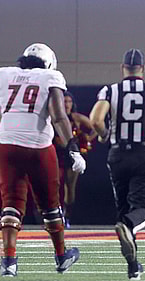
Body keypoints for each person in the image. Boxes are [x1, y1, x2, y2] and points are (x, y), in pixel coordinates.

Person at [0, 43, 86, 276]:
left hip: (7, 145)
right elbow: (58, 116)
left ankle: (8, 261)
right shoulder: (51, 76)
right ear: (49, 63)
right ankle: (61, 255)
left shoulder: (1, 74)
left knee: (11, 202)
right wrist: (72, 147)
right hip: (38, 146)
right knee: (49, 204)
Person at [90, 48, 145, 280]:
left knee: (123, 209)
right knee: (141, 212)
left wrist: (106, 134)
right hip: (143, 153)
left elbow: (96, 120)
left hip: (117, 153)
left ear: (122, 69)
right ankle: (128, 228)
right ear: (143, 69)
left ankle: (133, 266)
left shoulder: (111, 90)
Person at [53, 91, 96, 228]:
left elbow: (95, 126)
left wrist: (88, 139)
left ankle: (67, 216)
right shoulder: (53, 117)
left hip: (72, 155)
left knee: (70, 187)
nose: (66, 104)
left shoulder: (76, 118)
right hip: (57, 154)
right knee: (56, 185)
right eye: (64, 101)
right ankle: (56, 214)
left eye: (69, 102)